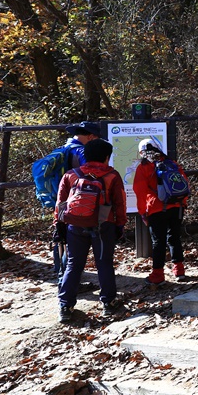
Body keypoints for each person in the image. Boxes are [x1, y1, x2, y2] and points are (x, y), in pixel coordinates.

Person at [56, 138, 127, 322]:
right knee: (104, 264)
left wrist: (59, 223)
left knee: (73, 264)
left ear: (84, 156)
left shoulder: (71, 175)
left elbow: (61, 203)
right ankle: (108, 303)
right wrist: (120, 225)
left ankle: (65, 306)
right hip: (103, 226)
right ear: (106, 157)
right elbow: (120, 203)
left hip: (75, 225)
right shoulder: (112, 176)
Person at [133, 138, 189, 283]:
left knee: (158, 241)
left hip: (156, 208)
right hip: (177, 206)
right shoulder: (172, 163)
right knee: (174, 238)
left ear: (141, 152)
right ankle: (179, 270)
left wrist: (142, 212)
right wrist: (183, 203)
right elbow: (184, 184)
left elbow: (139, 191)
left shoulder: (144, 167)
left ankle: (158, 275)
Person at [52, 121, 101, 277]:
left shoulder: (63, 149)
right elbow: (91, 176)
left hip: (59, 198)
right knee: (71, 243)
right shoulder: (81, 151)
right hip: (75, 201)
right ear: (91, 136)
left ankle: (61, 275)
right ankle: (68, 279)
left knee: (61, 235)